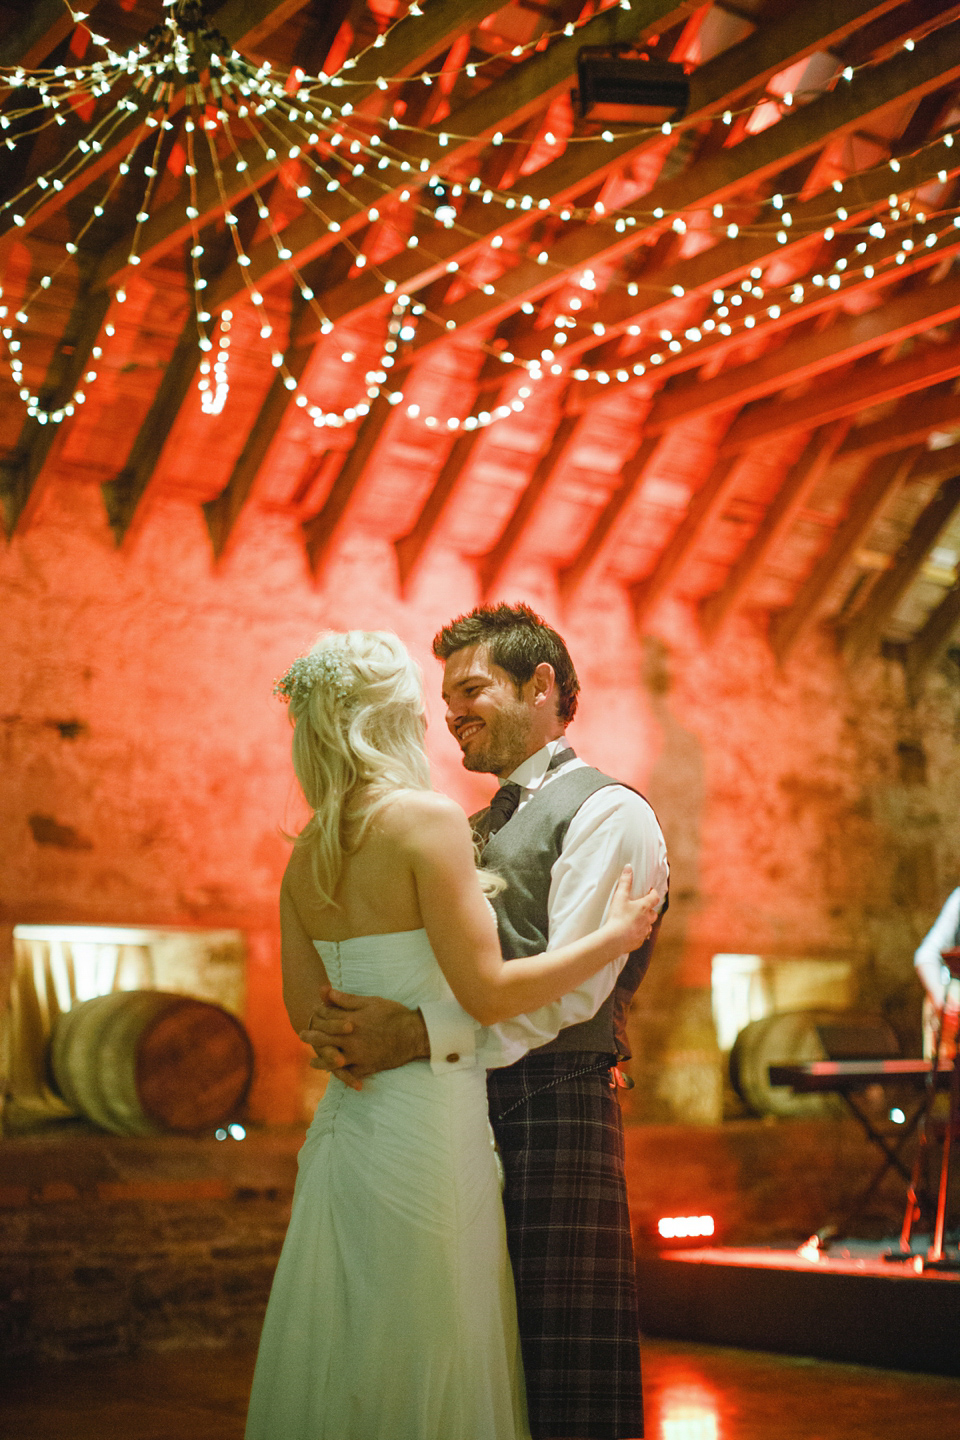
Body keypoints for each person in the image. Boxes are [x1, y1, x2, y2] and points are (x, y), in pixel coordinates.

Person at [244, 629, 661, 1440]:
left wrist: (417, 1036)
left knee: (560, 1361)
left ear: (541, 686)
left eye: (471, 690)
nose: (450, 713)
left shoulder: (610, 811)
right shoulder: (442, 824)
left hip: (551, 1107)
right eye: (440, 700)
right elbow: (486, 979)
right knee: (455, 1333)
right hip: (451, 1111)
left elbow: (575, 1000)